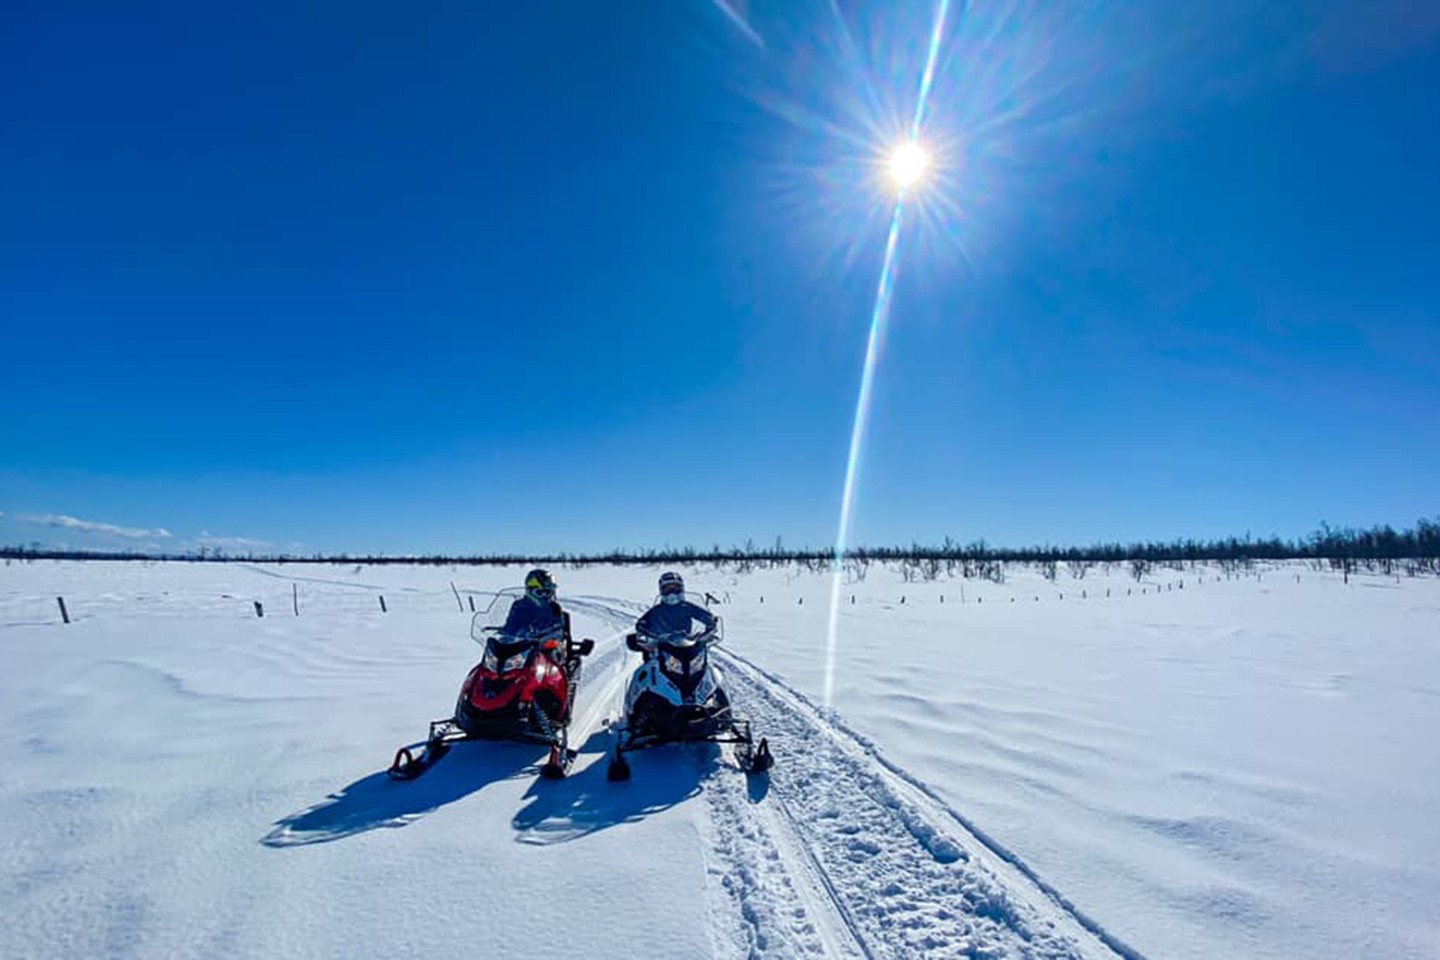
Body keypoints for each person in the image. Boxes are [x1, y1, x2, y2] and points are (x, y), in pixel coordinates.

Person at [635, 571, 716, 641]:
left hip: (687, 644)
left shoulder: (687, 607)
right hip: (662, 646)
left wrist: (710, 624)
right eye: (668, 589)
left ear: (681, 589)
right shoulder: (657, 610)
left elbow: (704, 615)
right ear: (661, 590)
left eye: (675, 588)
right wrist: (644, 630)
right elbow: (642, 623)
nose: (671, 593)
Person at [502, 568, 566, 640]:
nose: (546, 597)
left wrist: (544, 632)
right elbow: (511, 627)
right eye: (541, 593)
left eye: (549, 593)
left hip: (547, 646)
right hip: (524, 646)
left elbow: (558, 630)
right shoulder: (520, 607)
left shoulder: (554, 608)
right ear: (530, 592)